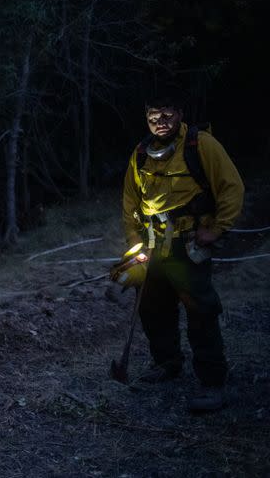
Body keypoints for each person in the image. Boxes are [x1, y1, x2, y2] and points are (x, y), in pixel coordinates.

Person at [121, 93, 244, 411]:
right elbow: (130, 202)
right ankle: (167, 363)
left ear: (179, 113)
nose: (159, 120)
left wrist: (217, 230)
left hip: (188, 243)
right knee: (151, 306)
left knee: (200, 310)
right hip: (152, 244)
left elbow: (232, 186)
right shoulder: (140, 154)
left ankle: (214, 382)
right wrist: (134, 242)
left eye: (166, 113)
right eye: (152, 114)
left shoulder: (200, 145)